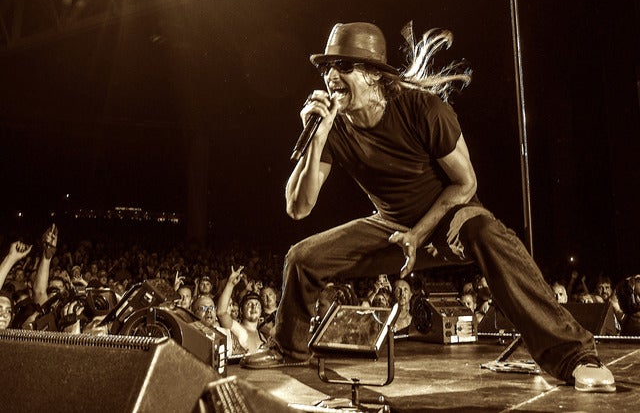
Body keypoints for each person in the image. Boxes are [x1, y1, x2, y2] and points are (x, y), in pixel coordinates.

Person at [240, 21, 615, 392]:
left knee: (486, 233)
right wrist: (317, 140)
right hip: (392, 227)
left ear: (373, 74)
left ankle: (575, 355)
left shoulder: (422, 108)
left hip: (451, 218)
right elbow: (298, 208)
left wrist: (419, 234)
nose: (331, 76)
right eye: (326, 68)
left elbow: (466, 183)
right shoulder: (334, 127)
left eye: (344, 66)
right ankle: (288, 348)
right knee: (303, 258)